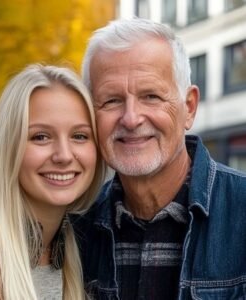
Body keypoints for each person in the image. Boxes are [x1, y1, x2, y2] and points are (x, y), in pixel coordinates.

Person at [72, 18, 246, 299]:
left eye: (151, 96)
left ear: (188, 108)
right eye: (111, 100)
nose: (131, 118)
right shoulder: (75, 232)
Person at [0, 64, 105, 300]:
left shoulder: (82, 252)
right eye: (40, 137)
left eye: (79, 136)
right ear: (9, 147)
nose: (63, 155)